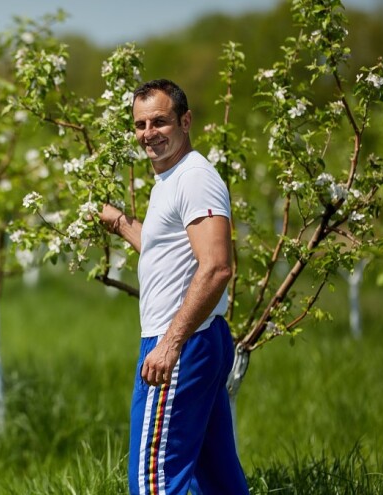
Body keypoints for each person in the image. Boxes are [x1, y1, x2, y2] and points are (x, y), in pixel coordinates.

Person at [99, 79, 249, 494]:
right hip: (198, 338)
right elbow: (163, 248)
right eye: (141, 124)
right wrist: (115, 221)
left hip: (182, 341)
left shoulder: (194, 177)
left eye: (160, 122)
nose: (149, 134)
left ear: (185, 121)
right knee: (215, 477)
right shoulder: (170, 178)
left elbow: (217, 267)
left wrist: (169, 343)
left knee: (155, 480)